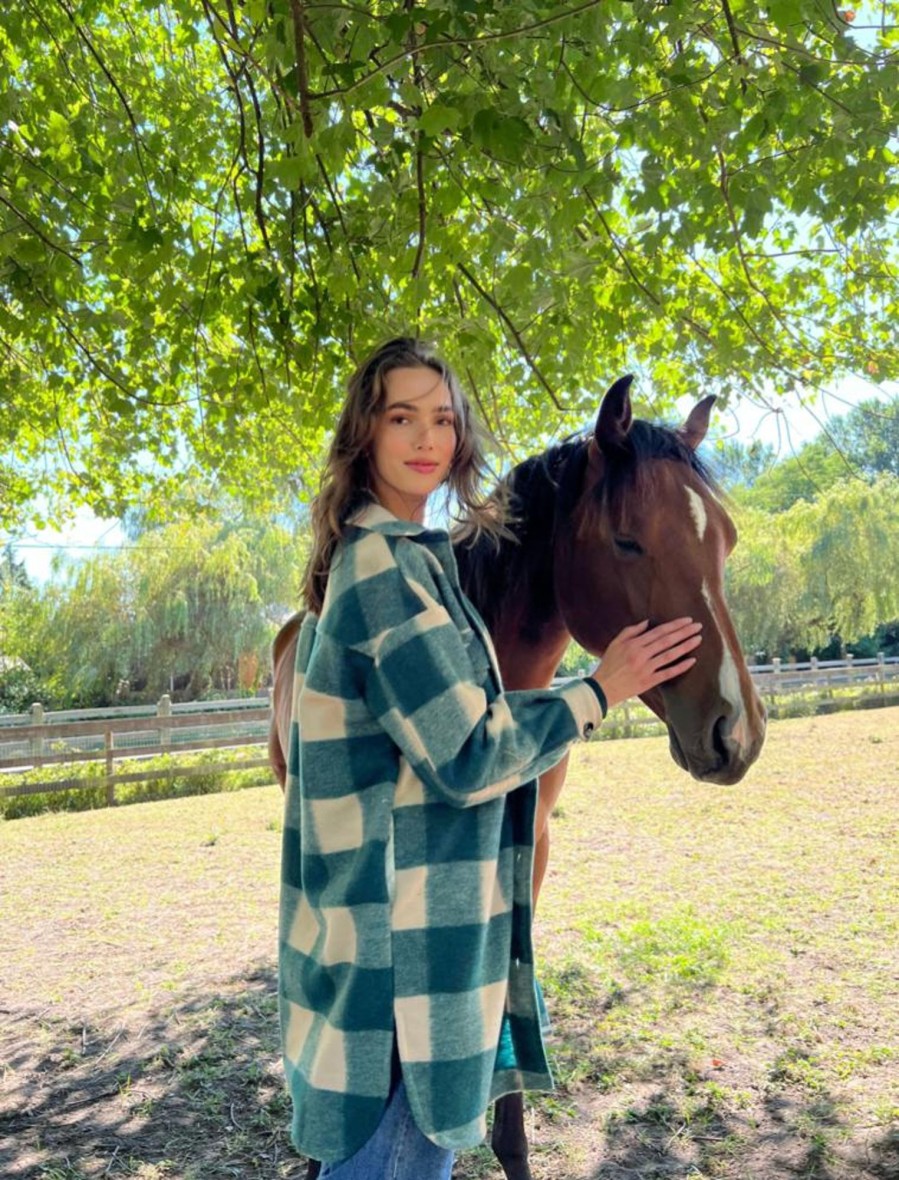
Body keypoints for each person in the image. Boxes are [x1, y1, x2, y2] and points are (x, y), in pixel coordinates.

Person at [279, 337, 702, 1179]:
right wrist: (597, 689)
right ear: (364, 434)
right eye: (401, 417)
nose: (425, 437)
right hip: (402, 969)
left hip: (406, 949)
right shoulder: (382, 573)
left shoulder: (412, 561)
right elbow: (468, 753)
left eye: (442, 418)